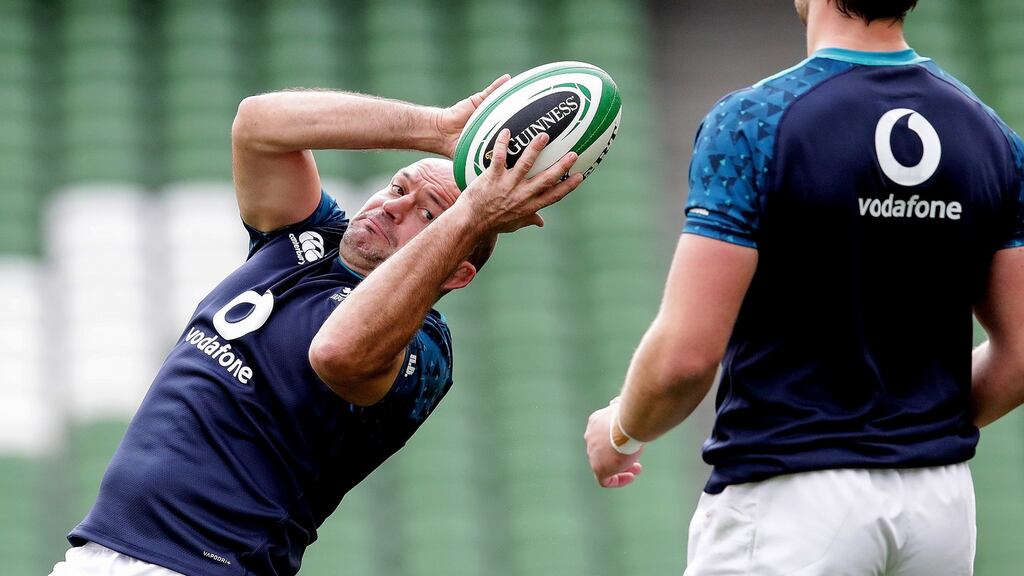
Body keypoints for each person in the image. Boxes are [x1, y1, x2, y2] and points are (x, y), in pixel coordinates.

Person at [50, 77, 584, 576]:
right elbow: (258, 124)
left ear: (458, 273)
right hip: (98, 553)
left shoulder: (424, 346)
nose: (393, 206)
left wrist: (474, 215)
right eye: (398, 186)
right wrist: (438, 128)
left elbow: (338, 353)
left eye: (428, 214)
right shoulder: (310, 236)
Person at [585, 1, 1024, 574]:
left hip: (791, 500)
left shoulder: (752, 122)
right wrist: (913, 424)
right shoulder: (993, 136)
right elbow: (1021, 355)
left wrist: (620, 430)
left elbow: (685, 359)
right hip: (940, 511)